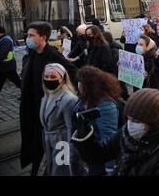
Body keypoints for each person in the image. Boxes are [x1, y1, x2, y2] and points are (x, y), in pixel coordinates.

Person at [72, 89, 159, 176]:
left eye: (136, 121)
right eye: (128, 119)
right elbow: (97, 156)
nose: (130, 124)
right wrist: (84, 134)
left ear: (153, 122)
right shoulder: (125, 134)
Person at [20, 21, 77, 176]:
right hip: (34, 107)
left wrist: (60, 91)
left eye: (31, 35)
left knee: (42, 147)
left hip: (49, 110)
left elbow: (72, 72)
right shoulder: (32, 53)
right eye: (27, 35)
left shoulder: (52, 54)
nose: (28, 38)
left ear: (43, 37)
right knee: (36, 143)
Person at [73, 66, 122, 175]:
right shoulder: (84, 98)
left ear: (91, 84)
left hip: (99, 161)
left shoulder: (106, 105)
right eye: (79, 81)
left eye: (82, 82)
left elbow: (108, 136)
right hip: (88, 156)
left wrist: (109, 168)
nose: (79, 85)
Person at [40, 63, 80, 176]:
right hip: (50, 140)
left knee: (60, 172)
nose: (48, 79)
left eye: (53, 77)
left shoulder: (68, 99)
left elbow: (71, 128)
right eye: (46, 76)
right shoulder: (47, 95)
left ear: (62, 79)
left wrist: (70, 153)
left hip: (62, 144)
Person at [0, 26, 21, 104]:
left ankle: (28, 93)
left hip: (7, 67)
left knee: (18, 82)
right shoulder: (2, 39)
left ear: (0, 33)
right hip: (3, 67)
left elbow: (3, 54)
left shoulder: (6, 40)